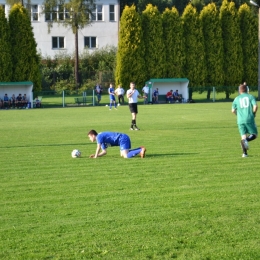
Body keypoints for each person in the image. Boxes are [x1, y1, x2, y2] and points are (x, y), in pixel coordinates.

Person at [232, 84, 258, 158]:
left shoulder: (236, 98)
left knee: (243, 136)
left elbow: (233, 110)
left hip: (240, 120)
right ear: (246, 90)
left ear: (239, 91)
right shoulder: (250, 96)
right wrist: (254, 113)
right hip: (249, 118)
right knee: (254, 134)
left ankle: (245, 154)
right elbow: (255, 106)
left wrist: (238, 115)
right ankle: (245, 141)